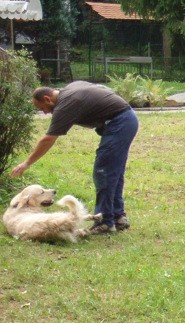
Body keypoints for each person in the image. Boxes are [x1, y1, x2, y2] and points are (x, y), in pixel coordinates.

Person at [11, 81, 139, 234]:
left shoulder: (66, 104)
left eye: (42, 109)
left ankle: (105, 222)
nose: (44, 113)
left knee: (104, 172)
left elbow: (48, 138)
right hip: (125, 119)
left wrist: (26, 163)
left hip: (119, 122)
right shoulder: (70, 89)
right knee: (113, 171)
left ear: (47, 99)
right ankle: (118, 217)